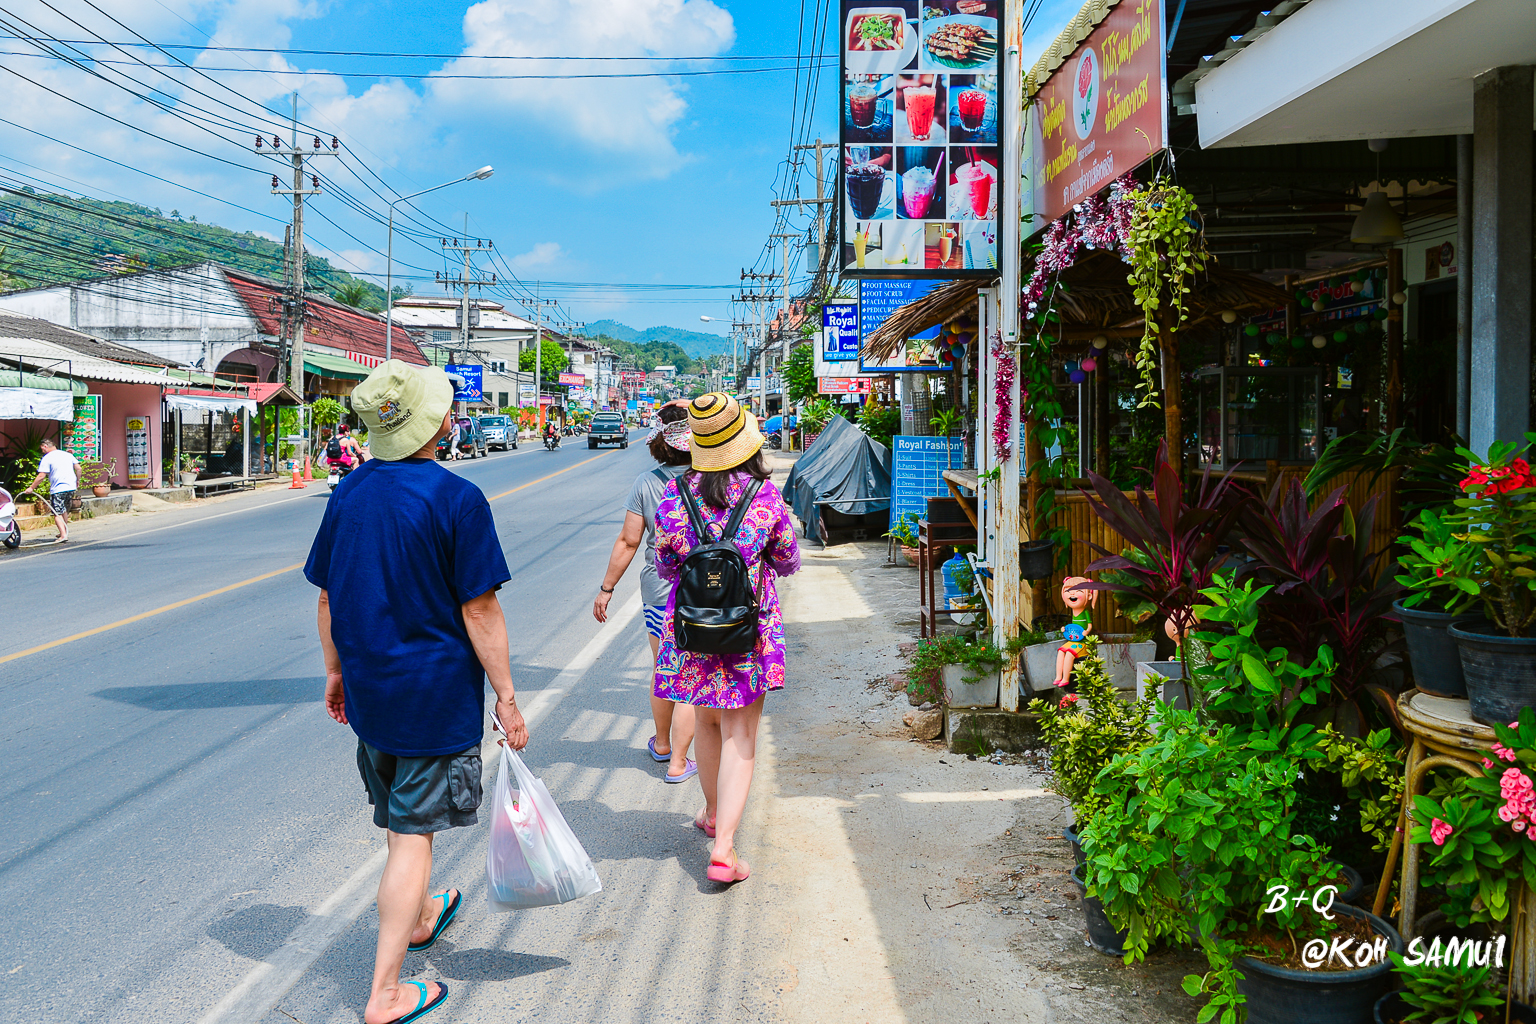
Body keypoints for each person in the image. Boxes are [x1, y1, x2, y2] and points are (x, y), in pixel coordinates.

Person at [304, 360, 528, 1024]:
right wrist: (508, 698)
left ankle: (422, 911)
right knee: (411, 838)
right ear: (436, 423)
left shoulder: (347, 493)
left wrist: (336, 671)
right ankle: (385, 992)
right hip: (432, 698)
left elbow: (328, 598)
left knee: (403, 820)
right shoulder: (456, 499)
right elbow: (480, 611)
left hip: (372, 694)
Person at [652, 393, 800, 884]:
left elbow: (666, 564)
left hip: (691, 629)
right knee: (741, 730)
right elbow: (787, 559)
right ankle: (724, 849)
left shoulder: (676, 496)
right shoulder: (764, 494)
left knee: (710, 724)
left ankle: (713, 813)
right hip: (749, 627)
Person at [593, 403, 696, 784]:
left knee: (666, 667)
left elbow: (629, 540)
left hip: (659, 587)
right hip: (707, 590)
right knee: (693, 669)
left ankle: (665, 744)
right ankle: (680, 763)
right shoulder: (715, 477)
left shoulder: (647, 482)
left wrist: (607, 589)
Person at [27, 438, 78, 544]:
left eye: (42, 449)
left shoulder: (47, 458)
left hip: (58, 488)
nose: (42, 451)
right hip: (70, 487)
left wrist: (31, 487)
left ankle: (63, 535)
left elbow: (41, 475)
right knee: (64, 510)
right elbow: (78, 468)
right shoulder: (67, 454)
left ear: (45, 446)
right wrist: (77, 480)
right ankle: (64, 531)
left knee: (57, 512)